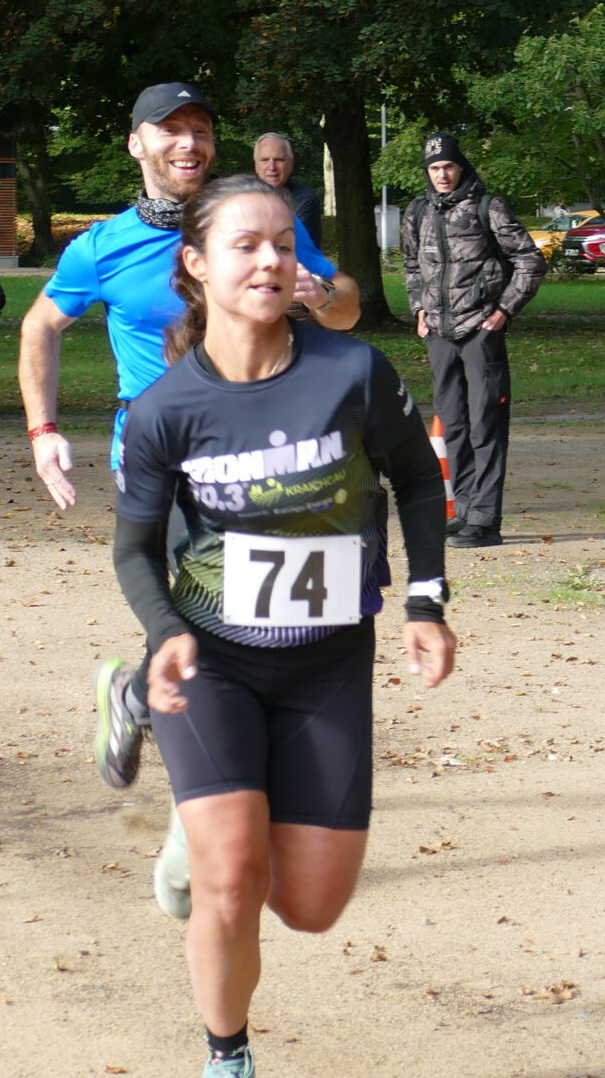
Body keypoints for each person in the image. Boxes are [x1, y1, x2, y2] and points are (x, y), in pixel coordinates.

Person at [114, 175, 453, 1078]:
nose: (270, 261)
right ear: (196, 264)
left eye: (284, 245)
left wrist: (425, 600)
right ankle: (227, 1055)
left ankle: (197, 812)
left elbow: (419, 483)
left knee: (309, 906)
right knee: (231, 878)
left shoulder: (353, 372)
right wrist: (164, 632)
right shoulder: (165, 409)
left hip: (327, 659)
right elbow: (134, 551)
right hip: (209, 658)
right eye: (246, 245)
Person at [17, 81, 362, 791]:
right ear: (136, 144)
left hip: (262, 442)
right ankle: (209, 788)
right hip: (159, 451)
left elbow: (348, 308)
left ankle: (139, 698)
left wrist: (322, 295)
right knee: (214, 595)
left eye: (200, 128)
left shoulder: (254, 224)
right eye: (169, 129)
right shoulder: (102, 247)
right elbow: (40, 326)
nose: (188, 142)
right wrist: (43, 429)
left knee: (249, 604)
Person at [400, 133, 546, 549]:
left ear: (460, 167)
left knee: (486, 425)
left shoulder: (488, 207)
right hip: (439, 334)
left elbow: (530, 261)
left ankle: (485, 519)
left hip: (481, 331)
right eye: (434, 168)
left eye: (448, 166)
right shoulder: (417, 211)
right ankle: (463, 511)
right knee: (454, 426)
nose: (442, 174)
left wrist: (504, 311)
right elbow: (411, 264)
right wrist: (419, 309)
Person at [249, 131, 324, 247]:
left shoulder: (304, 200)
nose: (271, 167)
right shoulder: (243, 199)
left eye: (279, 160)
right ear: (255, 164)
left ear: (291, 164)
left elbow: (292, 244)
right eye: (264, 160)